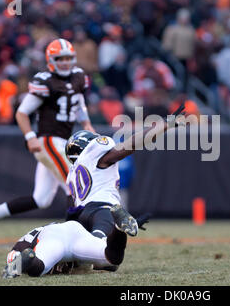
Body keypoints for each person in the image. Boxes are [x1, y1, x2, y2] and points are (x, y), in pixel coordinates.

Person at [0, 38, 95, 242]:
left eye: (68, 58)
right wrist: (30, 136)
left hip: (63, 141)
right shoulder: (45, 81)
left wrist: (86, 124)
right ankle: (75, 238)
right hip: (48, 141)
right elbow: (21, 113)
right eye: (60, 58)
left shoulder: (78, 77)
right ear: (51, 60)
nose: (65, 62)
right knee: (73, 184)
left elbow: (80, 103)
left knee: (41, 198)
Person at [63, 103, 186, 244]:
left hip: (82, 216)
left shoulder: (71, 174)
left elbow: (71, 209)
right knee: (101, 248)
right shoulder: (96, 156)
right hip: (102, 209)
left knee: (105, 260)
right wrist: (164, 124)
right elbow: (132, 144)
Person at [1, 206, 149, 278]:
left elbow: (15, 253)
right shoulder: (53, 229)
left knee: (37, 268)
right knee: (113, 258)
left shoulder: (42, 234)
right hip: (75, 231)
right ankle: (118, 228)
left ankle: (30, 259)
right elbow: (112, 266)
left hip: (55, 238)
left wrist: (14, 267)